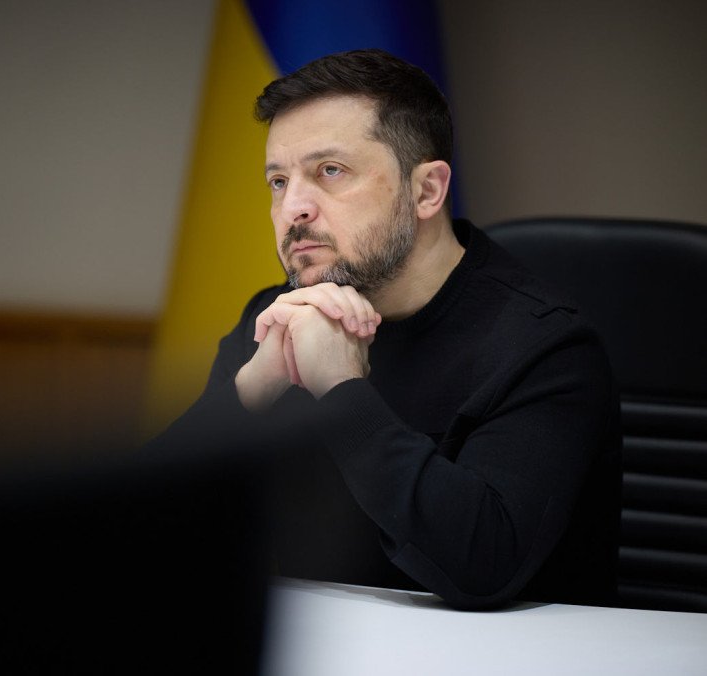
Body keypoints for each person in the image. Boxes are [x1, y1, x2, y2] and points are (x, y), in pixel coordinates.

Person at [149, 49, 620, 610]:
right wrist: (253, 388)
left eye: (330, 171)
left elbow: (485, 567)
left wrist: (341, 390)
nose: (293, 207)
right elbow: (145, 521)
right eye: (278, 180)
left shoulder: (544, 347)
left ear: (426, 191)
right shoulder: (274, 318)